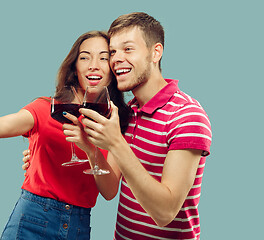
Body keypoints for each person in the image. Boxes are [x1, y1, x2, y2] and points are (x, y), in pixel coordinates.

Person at [23, 12, 212, 239]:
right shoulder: (128, 112)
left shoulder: (186, 115)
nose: (116, 59)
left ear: (156, 52)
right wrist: (87, 150)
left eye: (128, 49)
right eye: (113, 52)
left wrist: (115, 142)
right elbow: (110, 188)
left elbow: (165, 212)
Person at [0, 30, 130, 240]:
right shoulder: (45, 108)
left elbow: (109, 192)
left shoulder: (115, 123)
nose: (94, 65)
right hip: (33, 218)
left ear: (113, 68)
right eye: (84, 57)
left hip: (78, 226)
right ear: (74, 67)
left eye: (103, 58)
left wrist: (90, 150)